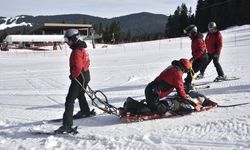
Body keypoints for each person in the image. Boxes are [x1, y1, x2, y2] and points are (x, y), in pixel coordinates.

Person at [55, 29, 95, 134]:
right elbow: (87, 61)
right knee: (81, 94)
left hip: (79, 77)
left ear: (74, 39)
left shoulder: (77, 50)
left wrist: (73, 75)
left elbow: (77, 66)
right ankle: (85, 111)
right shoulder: (82, 48)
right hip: (85, 75)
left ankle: (67, 125)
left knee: (69, 100)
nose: (67, 42)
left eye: (68, 40)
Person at [183, 25, 209, 92]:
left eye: (189, 33)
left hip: (202, 59)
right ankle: (187, 82)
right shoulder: (195, 38)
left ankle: (187, 86)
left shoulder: (198, 39)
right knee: (190, 70)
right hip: (199, 58)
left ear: (193, 32)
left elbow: (201, 51)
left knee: (191, 71)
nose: (188, 35)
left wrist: (193, 58)